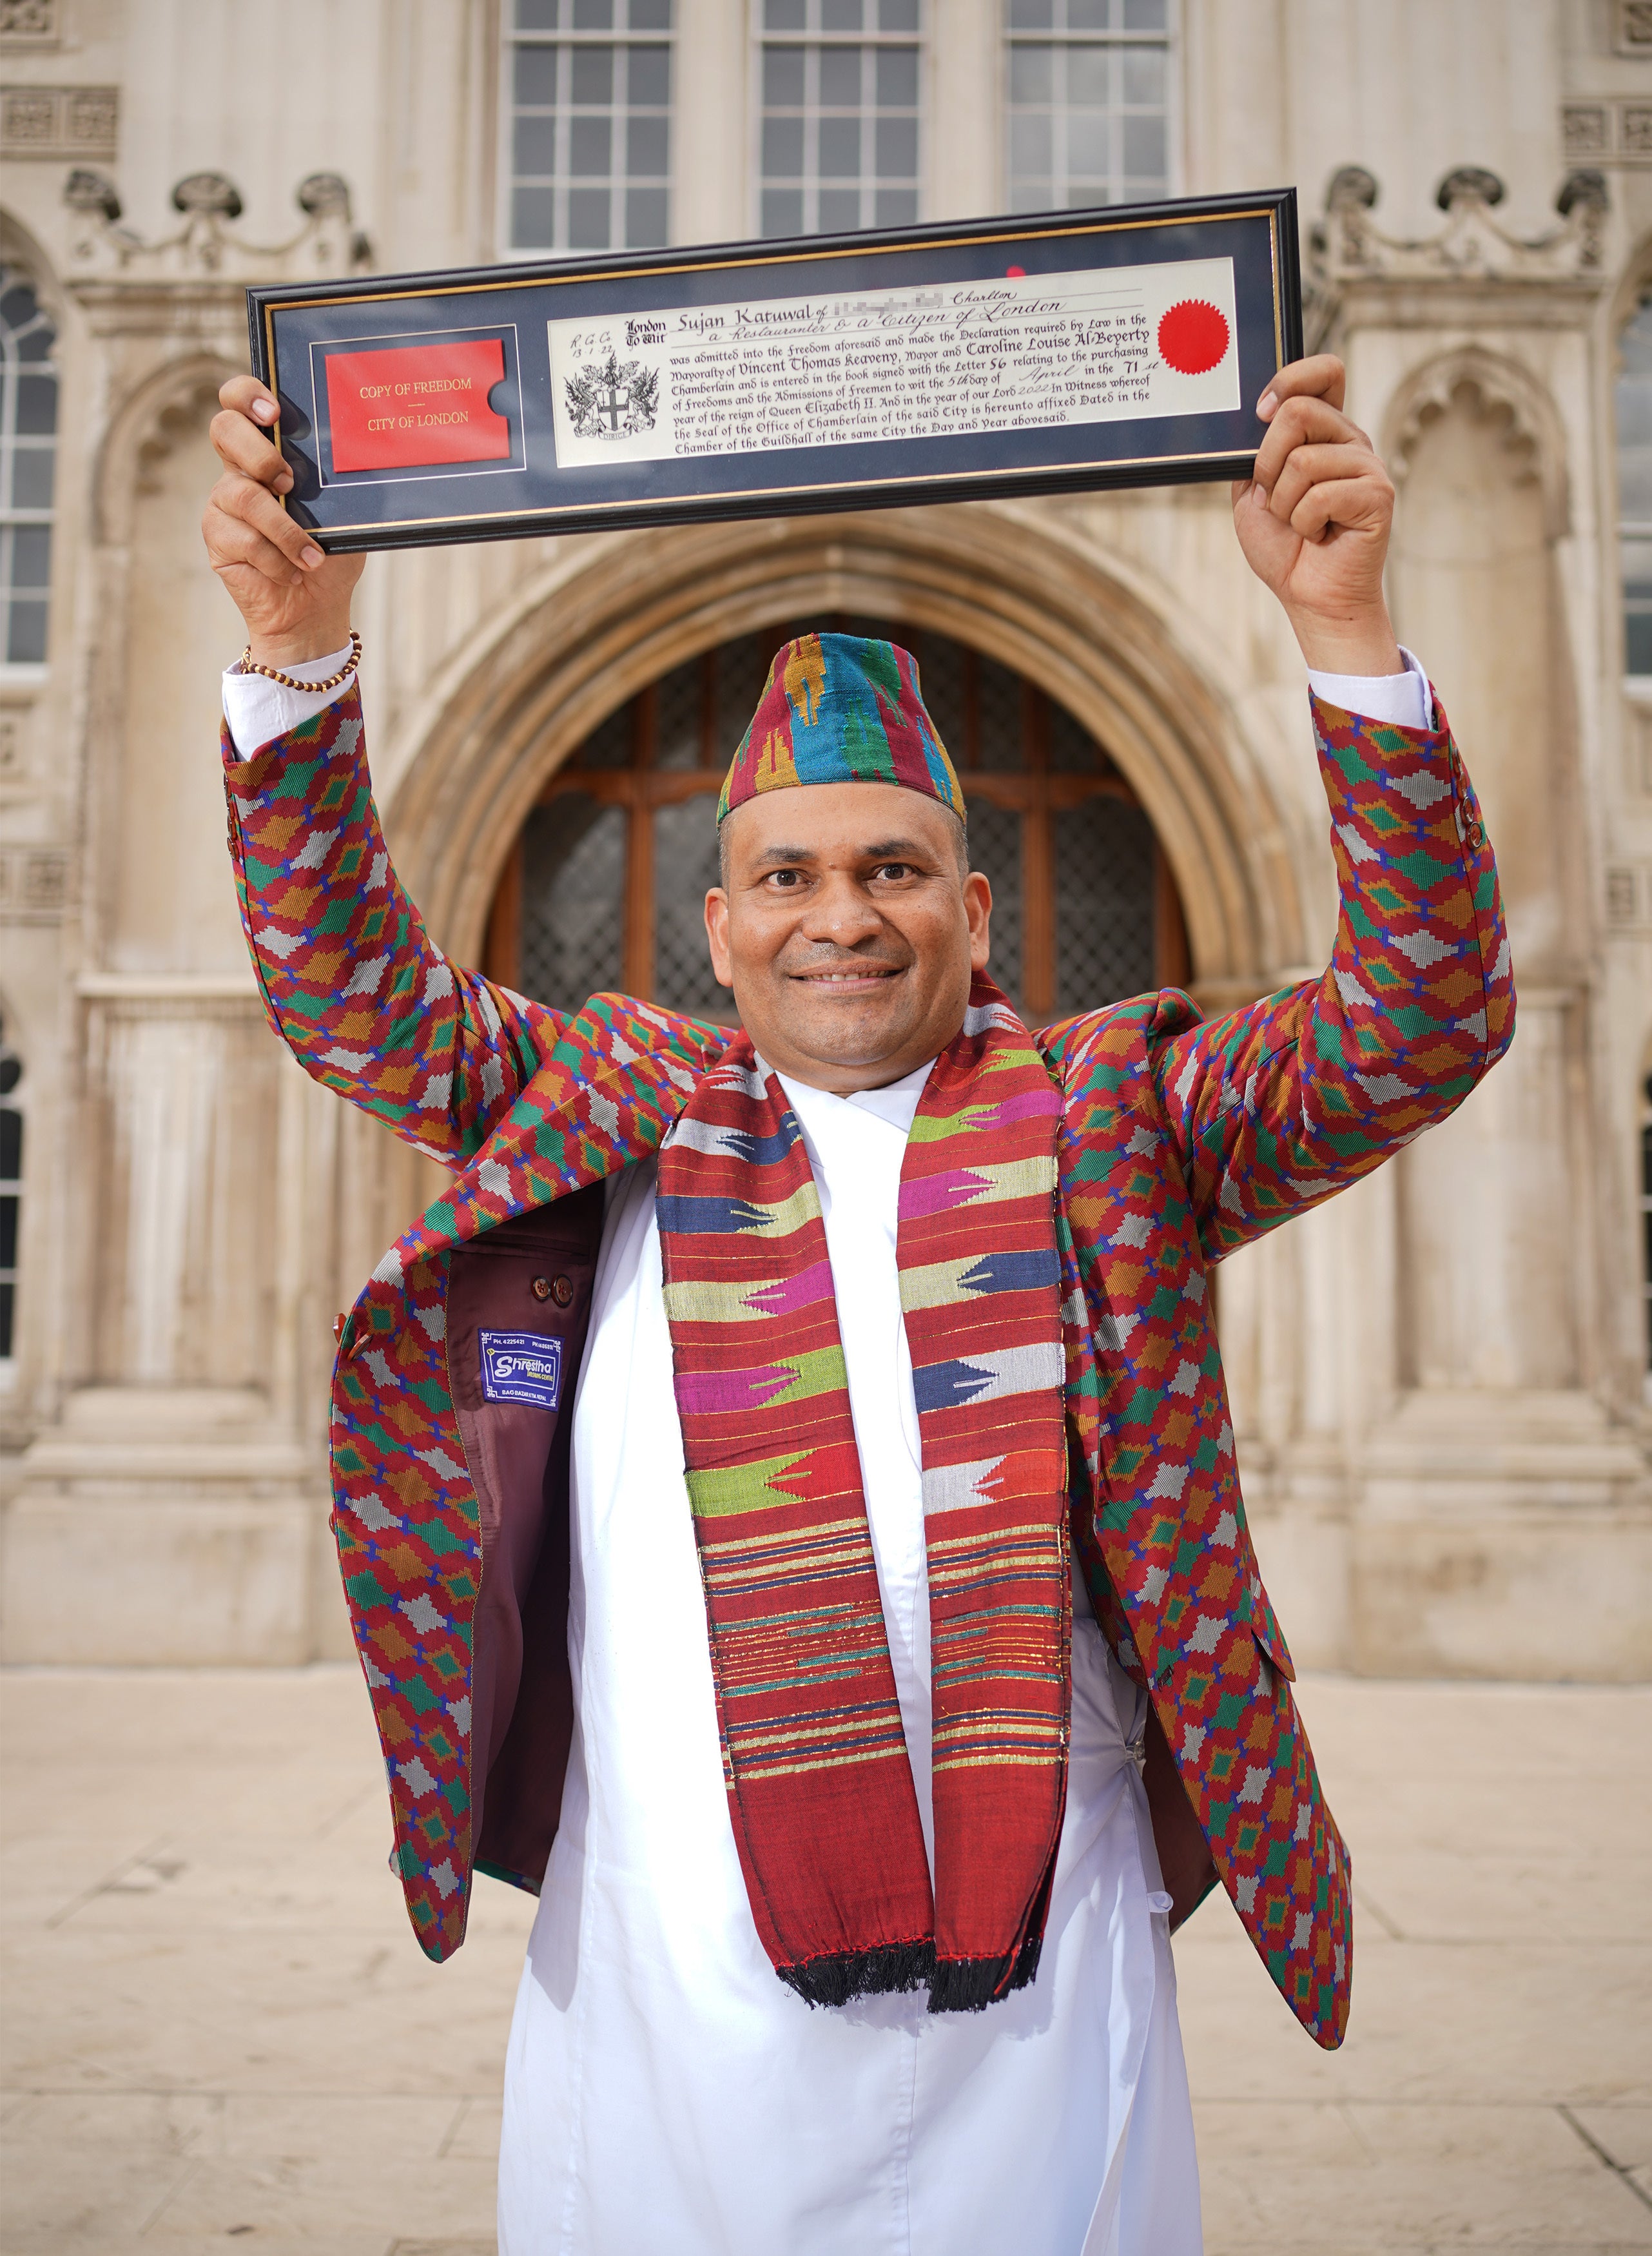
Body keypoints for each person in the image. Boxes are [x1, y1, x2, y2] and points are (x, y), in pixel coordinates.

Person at [202, 355, 1513, 2256]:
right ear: (717, 926)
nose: (844, 914)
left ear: (975, 913)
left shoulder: (1112, 1122)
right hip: (669, 1975)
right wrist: (299, 661)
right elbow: (346, 989)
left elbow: (1423, 1018)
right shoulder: (606, 1107)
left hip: (1037, 1989)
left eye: (893, 867)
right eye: (788, 876)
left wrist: (1339, 626)